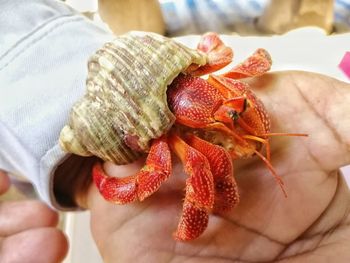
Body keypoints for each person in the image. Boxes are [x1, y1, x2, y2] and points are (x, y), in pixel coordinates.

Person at [1, 1, 349, 263]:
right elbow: (142, 180)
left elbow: (250, 58)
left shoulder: (223, 92)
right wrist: (94, 179)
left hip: (147, 73)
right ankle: (188, 228)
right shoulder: (183, 143)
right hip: (128, 91)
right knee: (204, 167)